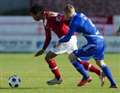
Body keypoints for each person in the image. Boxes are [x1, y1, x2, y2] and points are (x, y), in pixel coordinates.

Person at [30, 4, 104, 86]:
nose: (33, 18)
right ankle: (99, 73)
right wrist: (43, 49)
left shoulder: (51, 16)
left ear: (39, 13)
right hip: (69, 39)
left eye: (33, 15)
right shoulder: (45, 21)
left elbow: (64, 18)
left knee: (48, 57)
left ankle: (58, 78)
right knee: (77, 60)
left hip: (66, 39)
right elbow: (48, 37)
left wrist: (72, 29)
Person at [58, 4, 117, 88]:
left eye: (65, 14)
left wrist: (59, 41)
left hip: (94, 44)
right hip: (101, 40)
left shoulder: (74, 22)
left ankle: (86, 77)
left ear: (67, 13)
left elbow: (68, 37)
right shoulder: (80, 14)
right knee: (100, 63)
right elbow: (83, 26)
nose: (65, 16)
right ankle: (113, 84)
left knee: (72, 57)